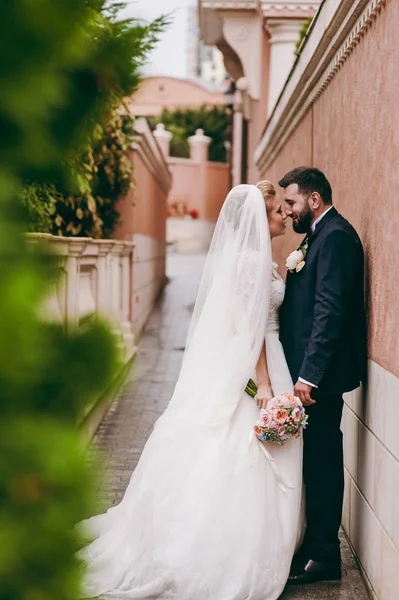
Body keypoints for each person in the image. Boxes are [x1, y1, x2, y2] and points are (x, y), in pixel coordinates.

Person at [78, 182, 304, 600]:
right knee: (244, 450)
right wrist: (265, 384)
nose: (285, 217)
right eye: (278, 211)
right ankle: (231, 547)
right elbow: (249, 327)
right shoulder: (253, 261)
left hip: (258, 357)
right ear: (261, 215)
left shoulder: (258, 259)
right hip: (260, 361)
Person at [279, 167, 366, 585]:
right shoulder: (317, 236)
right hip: (308, 375)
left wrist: (309, 376)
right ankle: (313, 547)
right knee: (314, 463)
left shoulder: (335, 237)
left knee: (324, 463)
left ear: (314, 200)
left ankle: (325, 556)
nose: (287, 211)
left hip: (321, 381)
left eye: (292, 203)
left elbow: (329, 310)